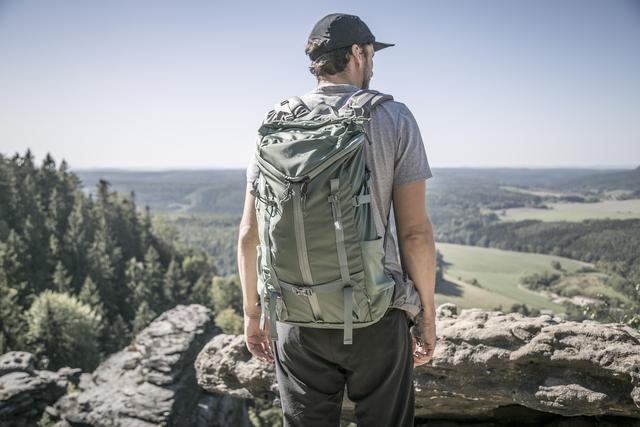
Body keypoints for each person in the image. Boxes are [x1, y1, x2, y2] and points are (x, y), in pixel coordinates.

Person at [237, 13, 437, 427]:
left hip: (295, 317)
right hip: (376, 315)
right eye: (371, 53)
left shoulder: (275, 123)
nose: (373, 63)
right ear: (357, 53)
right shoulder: (393, 117)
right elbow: (415, 234)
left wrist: (252, 315)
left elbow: (249, 233)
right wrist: (426, 316)